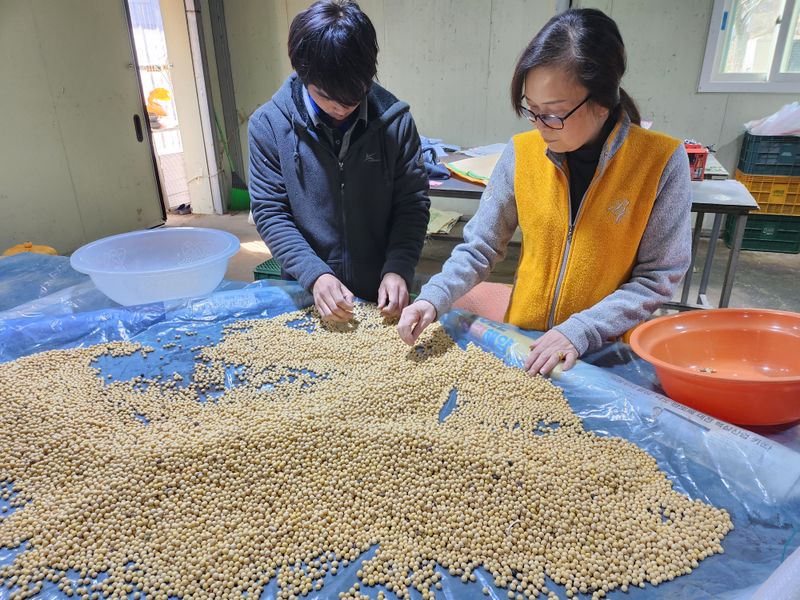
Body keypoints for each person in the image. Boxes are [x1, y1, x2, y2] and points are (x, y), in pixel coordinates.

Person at [397, 8, 691, 376]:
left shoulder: (659, 161)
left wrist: (580, 331)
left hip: (605, 351)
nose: (540, 126)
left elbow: (658, 277)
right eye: (531, 110)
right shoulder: (521, 153)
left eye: (553, 113)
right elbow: (480, 247)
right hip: (526, 343)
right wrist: (434, 297)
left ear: (602, 101)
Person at [248, 0, 430, 322]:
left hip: (382, 293)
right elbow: (271, 211)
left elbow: (412, 204)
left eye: (354, 95)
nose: (342, 107)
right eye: (327, 96)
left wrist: (399, 267)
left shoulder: (395, 122)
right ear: (303, 74)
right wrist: (314, 274)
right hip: (308, 292)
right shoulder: (269, 126)